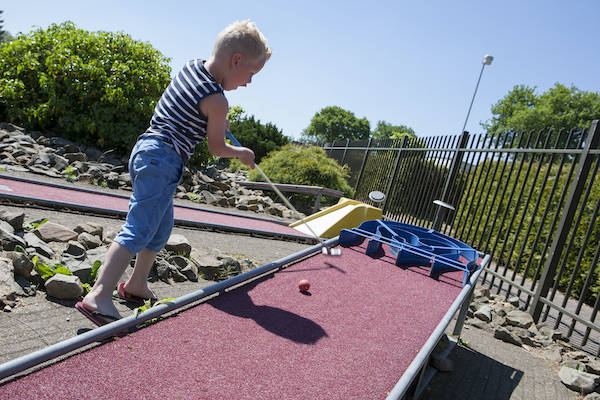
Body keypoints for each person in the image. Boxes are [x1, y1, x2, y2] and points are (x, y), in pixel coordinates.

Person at [76, 20, 272, 326]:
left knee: (160, 227)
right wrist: (240, 152)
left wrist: (217, 119)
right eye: (250, 74)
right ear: (236, 61)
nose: (248, 83)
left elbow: (188, 108)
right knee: (139, 228)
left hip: (147, 150)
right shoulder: (218, 100)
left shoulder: (192, 67)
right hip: (164, 159)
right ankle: (99, 295)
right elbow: (217, 147)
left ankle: (137, 284)